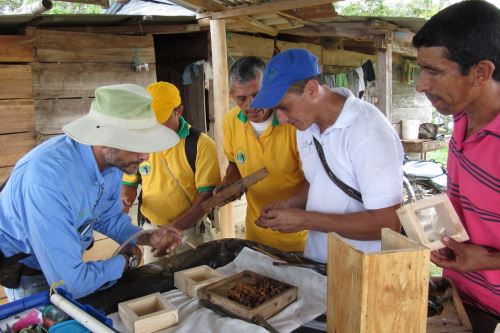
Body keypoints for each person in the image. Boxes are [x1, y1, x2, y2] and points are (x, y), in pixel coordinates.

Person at [0, 84, 182, 301]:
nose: (146, 157)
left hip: (67, 266)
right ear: (105, 140)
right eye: (137, 145)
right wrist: (123, 262)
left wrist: (148, 237)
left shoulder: (112, 164)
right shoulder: (48, 182)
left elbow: (108, 217)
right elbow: (72, 284)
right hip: (31, 274)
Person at [252, 49, 403, 263]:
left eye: (284, 107)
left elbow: (387, 224)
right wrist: (291, 204)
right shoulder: (305, 128)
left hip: (361, 270)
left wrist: (306, 220)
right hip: (318, 261)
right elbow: (319, 180)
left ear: (312, 90)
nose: (282, 119)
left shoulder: (369, 132)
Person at [413, 1, 500, 331]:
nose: (421, 85)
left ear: (481, 72)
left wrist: (490, 260)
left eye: (434, 71)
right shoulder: (462, 118)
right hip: (463, 295)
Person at [121, 82, 220, 263]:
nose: (155, 127)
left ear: (179, 111)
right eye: (151, 120)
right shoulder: (139, 143)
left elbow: (206, 197)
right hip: (153, 233)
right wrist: (121, 219)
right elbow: (128, 185)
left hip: (190, 234)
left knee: (197, 284)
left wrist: (173, 230)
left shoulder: (201, 144)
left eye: (162, 119)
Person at [217, 56, 307, 252]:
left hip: (299, 240)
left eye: (257, 95)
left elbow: (315, 182)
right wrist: (229, 185)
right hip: (255, 237)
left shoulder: (294, 124)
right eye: (242, 98)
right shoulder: (230, 122)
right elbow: (234, 163)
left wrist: (288, 206)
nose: (251, 105)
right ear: (232, 95)